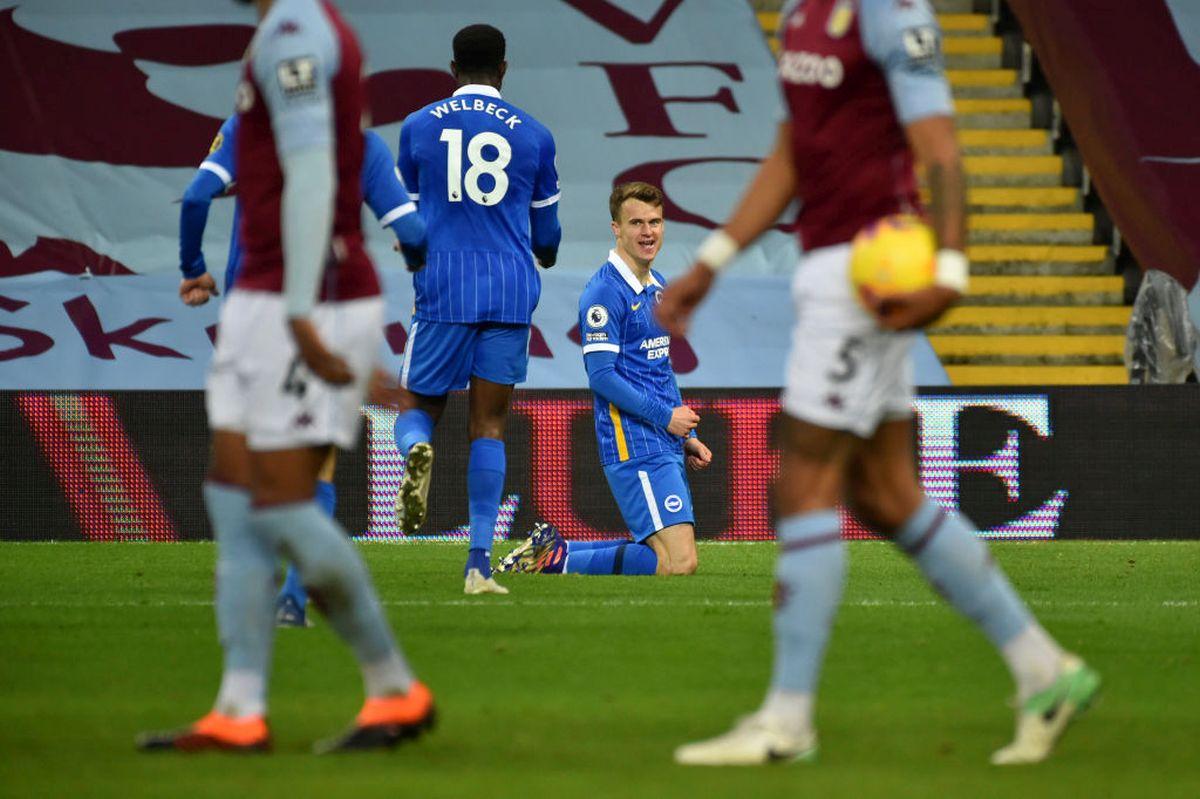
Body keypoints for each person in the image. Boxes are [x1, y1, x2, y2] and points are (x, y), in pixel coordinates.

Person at [658, 0, 1099, 766]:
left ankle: (786, 722)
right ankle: (1044, 668)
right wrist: (710, 263)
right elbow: (792, 155)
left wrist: (951, 272)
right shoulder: (802, 14)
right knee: (886, 493)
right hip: (832, 268)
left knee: (802, 485)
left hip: (866, 277)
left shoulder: (889, 13)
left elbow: (940, 148)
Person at [139, 0, 434, 753]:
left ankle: (394, 687)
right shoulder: (289, 32)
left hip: (297, 298)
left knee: (276, 500)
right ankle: (239, 706)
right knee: (234, 497)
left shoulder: (299, 30)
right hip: (264, 299)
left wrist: (305, 311)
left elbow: (308, 173)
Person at [179, 114, 427, 627]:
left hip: (256, 309)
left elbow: (198, 196)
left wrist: (192, 268)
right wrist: (414, 256)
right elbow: (411, 228)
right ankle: (292, 598)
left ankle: (253, 584)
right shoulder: (360, 144)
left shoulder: (250, 128)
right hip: (328, 311)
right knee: (319, 463)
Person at [391, 23, 562, 595]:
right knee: (489, 425)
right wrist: (540, 248)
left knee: (417, 406)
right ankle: (478, 565)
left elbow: (409, 223)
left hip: (444, 287)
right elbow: (549, 238)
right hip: (510, 291)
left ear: (452, 68)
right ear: (504, 69)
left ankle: (416, 448)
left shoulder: (417, 128)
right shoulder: (536, 136)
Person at [498, 182, 712, 577]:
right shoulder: (604, 292)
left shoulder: (658, 286)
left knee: (664, 558)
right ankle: (557, 561)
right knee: (679, 563)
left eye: (655, 222)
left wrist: (685, 436)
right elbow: (601, 377)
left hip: (661, 439)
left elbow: (658, 369)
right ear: (616, 228)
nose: (648, 232)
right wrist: (666, 418)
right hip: (634, 441)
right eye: (636, 223)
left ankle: (553, 553)